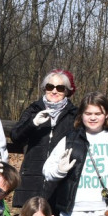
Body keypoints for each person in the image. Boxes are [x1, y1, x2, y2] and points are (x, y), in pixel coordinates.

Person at [7, 69, 78, 207]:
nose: (54, 91)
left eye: (60, 88)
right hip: (32, 176)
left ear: (67, 91)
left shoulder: (74, 115)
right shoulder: (34, 109)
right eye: (50, 87)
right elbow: (16, 136)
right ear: (44, 89)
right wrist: (32, 123)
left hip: (61, 177)